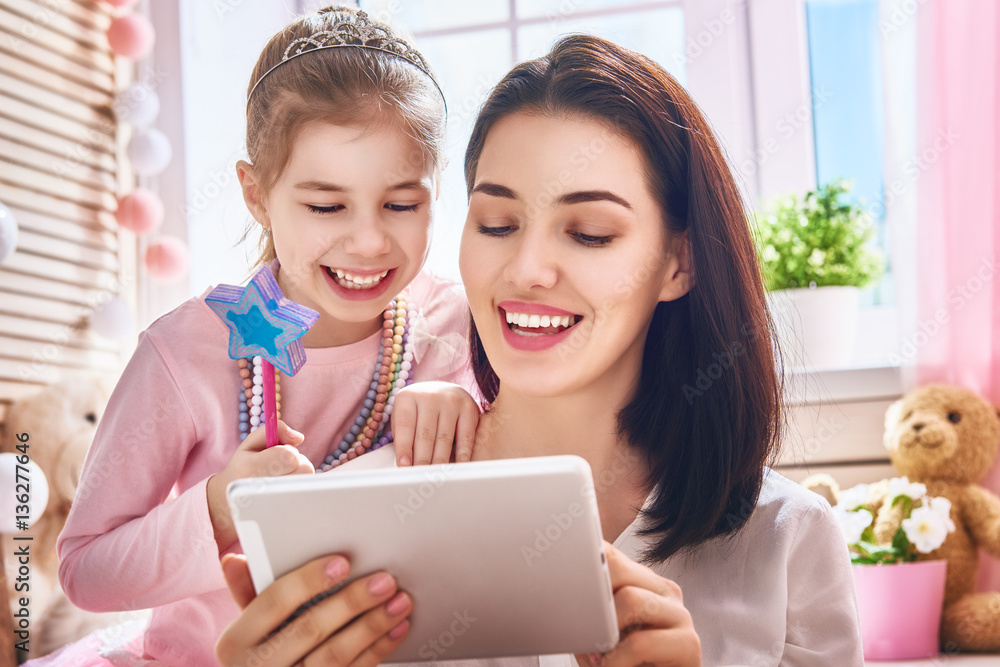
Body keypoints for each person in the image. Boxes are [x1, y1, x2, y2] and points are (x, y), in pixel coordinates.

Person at [216, 31, 865, 667]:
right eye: (497, 224)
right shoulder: (346, 530)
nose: (527, 269)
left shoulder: (785, 537)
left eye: (588, 232)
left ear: (679, 262)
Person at [30, 7, 480, 666]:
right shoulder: (184, 353)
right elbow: (86, 569)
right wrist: (217, 507)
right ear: (256, 193)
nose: (368, 240)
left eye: (402, 203)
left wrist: (461, 395)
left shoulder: (455, 324)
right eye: (326, 205)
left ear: (436, 191)